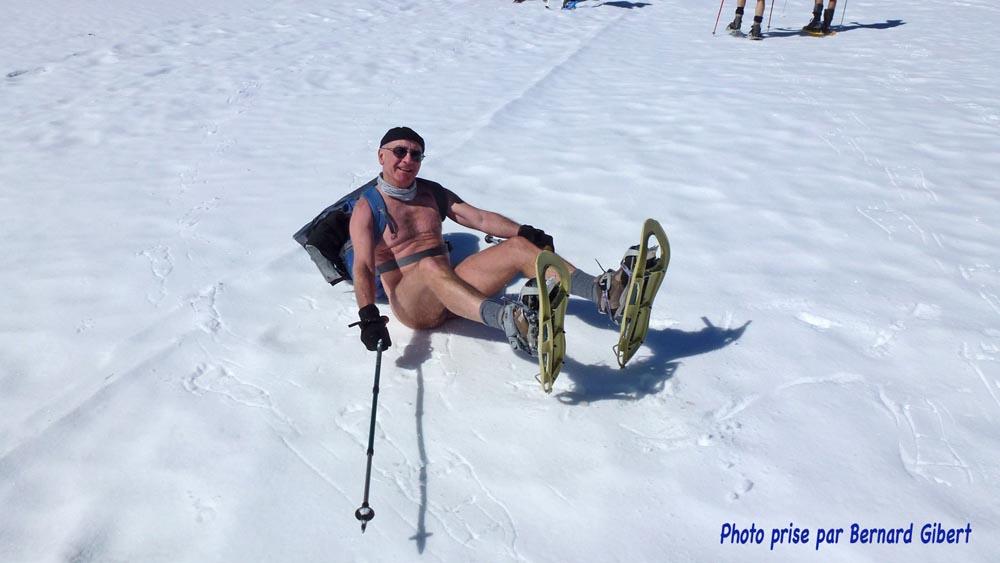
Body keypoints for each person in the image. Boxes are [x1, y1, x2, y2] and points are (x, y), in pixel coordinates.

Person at [350, 126, 635, 355]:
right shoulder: (367, 207)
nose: (408, 160)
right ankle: (510, 322)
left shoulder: (431, 192)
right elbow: (363, 266)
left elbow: (479, 219)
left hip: (454, 292)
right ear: (381, 156)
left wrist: (524, 231)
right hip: (413, 306)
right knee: (428, 266)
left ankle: (603, 292)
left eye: (416, 155)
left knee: (518, 247)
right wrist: (368, 315)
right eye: (400, 151)